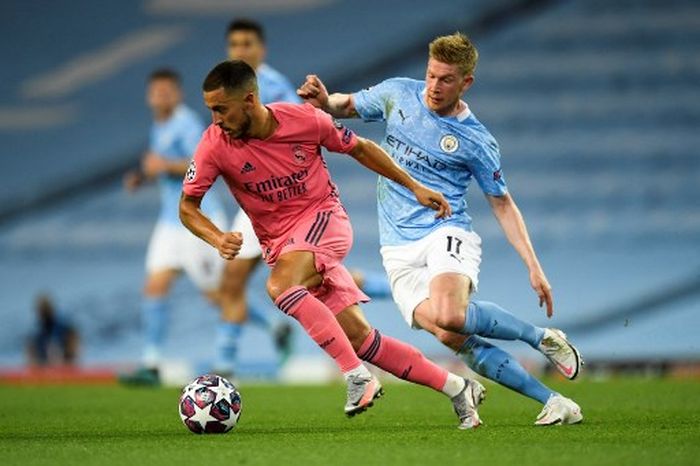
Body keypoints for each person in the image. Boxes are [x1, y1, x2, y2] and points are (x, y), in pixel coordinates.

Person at [297, 32, 584, 426]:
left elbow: (501, 202)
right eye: (431, 75)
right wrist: (323, 101)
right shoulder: (399, 94)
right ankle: (554, 401)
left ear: (466, 82)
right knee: (452, 336)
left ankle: (539, 337)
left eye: (446, 79)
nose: (434, 86)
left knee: (450, 314)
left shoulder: (476, 139)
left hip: (444, 229)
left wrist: (533, 266)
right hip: (396, 245)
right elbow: (344, 106)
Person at [180, 60, 486, 428]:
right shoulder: (215, 144)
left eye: (220, 109)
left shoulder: (305, 120)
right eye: (211, 109)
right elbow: (188, 206)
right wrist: (216, 237)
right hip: (281, 244)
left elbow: (361, 148)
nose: (215, 119)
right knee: (362, 340)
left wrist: (415, 187)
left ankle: (356, 376)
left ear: (248, 100)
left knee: (280, 286)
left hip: (324, 219)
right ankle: (457, 387)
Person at [218, 19, 392, 373]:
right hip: (257, 202)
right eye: (235, 44)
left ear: (261, 49)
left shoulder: (273, 87)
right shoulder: (228, 87)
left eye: (247, 43)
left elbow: (300, 130)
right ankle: (253, 344)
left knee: (308, 278)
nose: (241, 50)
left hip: (282, 201)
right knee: (236, 282)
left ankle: (226, 364)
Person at [121, 69, 228, 385]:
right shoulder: (160, 125)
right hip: (170, 222)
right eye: (156, 91)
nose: (161, 96)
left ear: (178, 94)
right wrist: (142, 177)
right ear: (148, 96)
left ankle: (275, 330)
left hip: (197, 218)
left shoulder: (186, 123)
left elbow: (201, 161)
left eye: (167, 91)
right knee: (154, 287)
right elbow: (161, 165)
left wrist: (162, 166)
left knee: (217, 296)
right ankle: (151, 364)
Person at [26, 294, 79, 366]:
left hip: (65, 368)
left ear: (51, 310)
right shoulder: (37, 336)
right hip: (44, 370)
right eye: (41, 311)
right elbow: (32, 359)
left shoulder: (66, 330)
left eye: (46, 310)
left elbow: (74, 352)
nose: (43, 314)